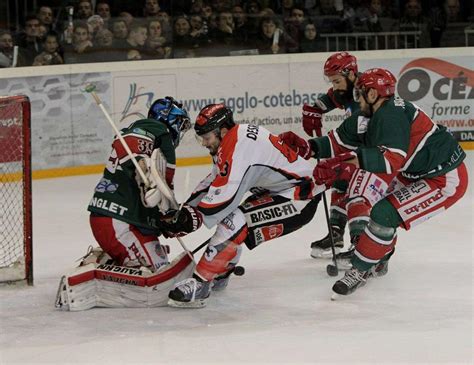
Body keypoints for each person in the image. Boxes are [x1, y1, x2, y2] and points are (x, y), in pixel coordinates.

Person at [282, 68, 468, 297]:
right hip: (412, 171)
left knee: (384, 213)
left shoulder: (392, 115)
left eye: (360, 94)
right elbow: (338, 141)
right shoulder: (369, 114)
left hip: (442, 177)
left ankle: (362, 268)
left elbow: (389, 160)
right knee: (360, 194)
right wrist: (307, 147)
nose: (356, 99)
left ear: (372, 94)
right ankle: (376, 255)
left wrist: (343, 164)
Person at [160, 104, 324, 308]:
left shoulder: (238, 148)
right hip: (282, 190)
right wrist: (187, 208)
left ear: (222, 130)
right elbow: (214, 179)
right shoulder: (232, 139)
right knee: (236, 218)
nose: (203, 143)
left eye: (207, 137)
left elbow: (223, 198)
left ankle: (201, 283)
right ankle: (221, 268)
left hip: (301, 197)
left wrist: (189, 219)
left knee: (235, 220)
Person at [55, 97, 194, 311]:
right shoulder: (157, 131)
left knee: (160, 262)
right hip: (118, 223)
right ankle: (85, 278)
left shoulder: (146, 133)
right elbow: (129, 144)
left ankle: (109, 260)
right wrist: (141, 165)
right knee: (156, 275)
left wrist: (163, 221)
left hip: (116, 219)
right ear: (169, 119)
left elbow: (156, 192)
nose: (180, 131)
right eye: (180, 123)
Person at [300, 51, 360, 259]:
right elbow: (333, 97)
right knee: (340, 182)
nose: (334, 86)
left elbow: (349, 139)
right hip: (362, 149)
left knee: (357, 189)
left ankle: (361, 245)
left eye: (337, 80)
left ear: (351, 74)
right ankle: (335, 234)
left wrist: (320, 148)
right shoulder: (349, 90)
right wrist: (315, 108)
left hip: (379, 154)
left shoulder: (366, 98)